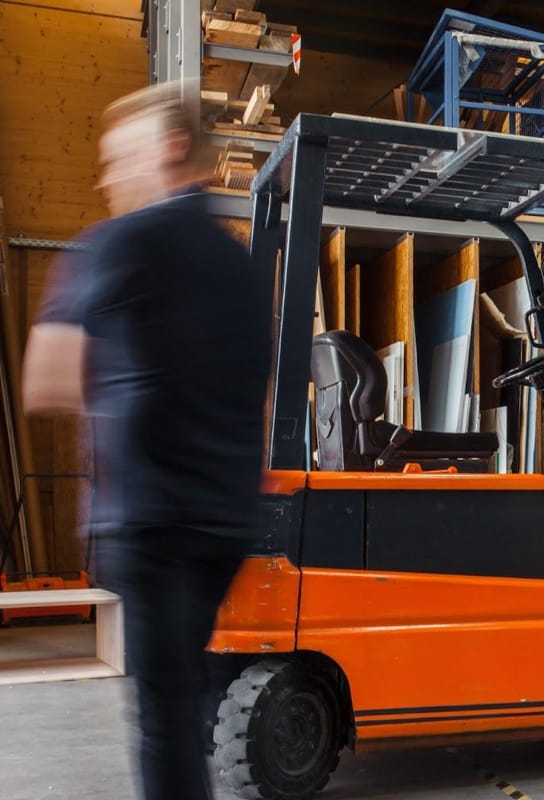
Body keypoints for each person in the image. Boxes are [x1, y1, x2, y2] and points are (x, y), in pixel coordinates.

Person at [22, 81, 273, 800]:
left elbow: (47, 379)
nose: (106, 179)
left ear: (168, 148)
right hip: (225, 519)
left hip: (152, 518)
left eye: (115, 160)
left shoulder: (120, 242)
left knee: (162, 716)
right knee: (186, 698)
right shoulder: (245, 269)